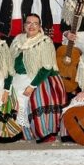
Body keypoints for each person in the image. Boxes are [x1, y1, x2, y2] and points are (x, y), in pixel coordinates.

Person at [10, 13, 66, 142]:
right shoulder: (17, 40)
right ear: (24, 25)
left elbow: (46, 68)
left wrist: (31, 86)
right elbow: (9, 63)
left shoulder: (45, 41)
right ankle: (18, 131)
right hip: (17, 78)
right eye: (28, 23)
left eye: (35, 23)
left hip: (38, 78)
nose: (31, 26)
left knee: (30, 97)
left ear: (39, 26)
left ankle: (39, 130)